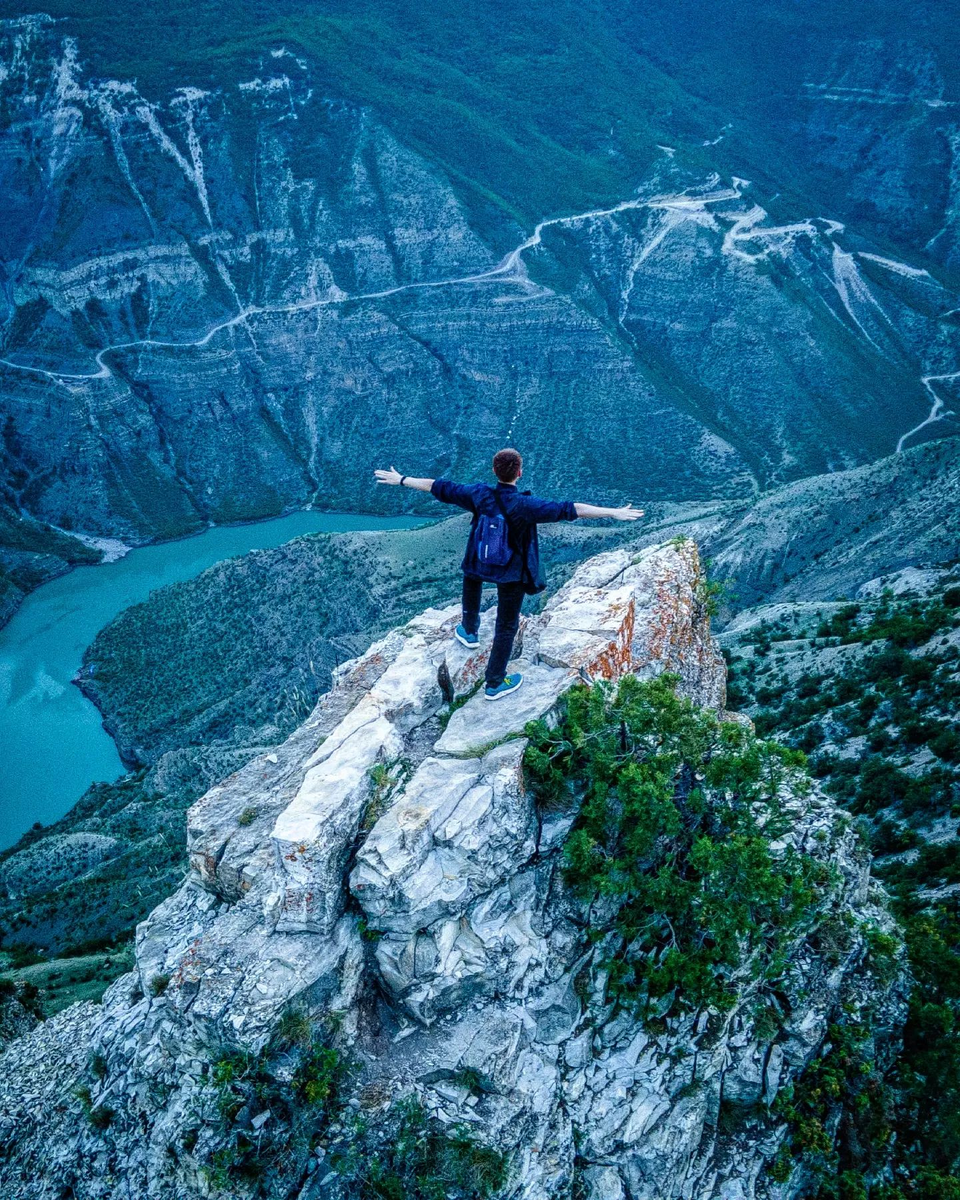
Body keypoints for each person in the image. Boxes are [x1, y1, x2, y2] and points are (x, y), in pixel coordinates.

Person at [374, 449, 643, 700]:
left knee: (471, 578)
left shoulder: (478, 495)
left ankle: (469, 631)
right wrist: (613, 512)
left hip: (479, 562)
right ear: (519, 473)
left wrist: (402, 480)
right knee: (506, 625)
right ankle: (494, 682)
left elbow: (437, 486)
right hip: (512, 571)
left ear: (494, 470)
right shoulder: (525, 505)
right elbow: (572, 510)